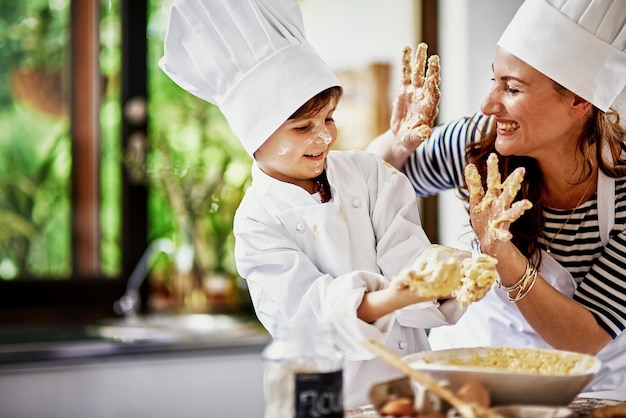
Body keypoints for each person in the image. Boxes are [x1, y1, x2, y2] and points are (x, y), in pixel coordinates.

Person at [157, 0, 513, 409]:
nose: (324, 137)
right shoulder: (256, 222)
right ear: (255, 134)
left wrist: (464, 269)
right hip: (326, 401)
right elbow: (314, 320)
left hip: (406, 395)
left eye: (328, 118)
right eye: (303, 126)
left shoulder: (368, 173)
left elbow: (412, 263)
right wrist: (400, 293)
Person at [368, 0, 626, 399]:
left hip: (588, 395)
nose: (489, 104)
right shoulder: (482, 141)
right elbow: (366, 191)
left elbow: (583, 339)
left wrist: (500, 251)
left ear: (578, 101)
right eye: (495, 81)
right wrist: (397, 140)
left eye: (512, 88)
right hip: (473, 385)